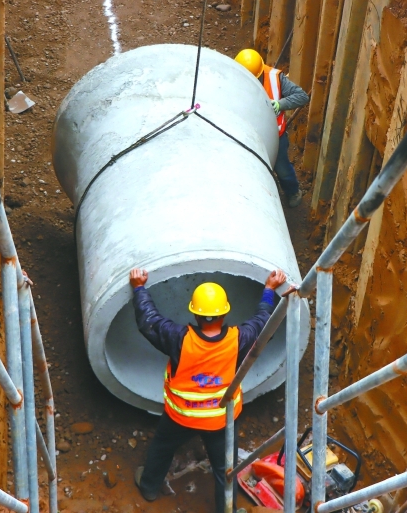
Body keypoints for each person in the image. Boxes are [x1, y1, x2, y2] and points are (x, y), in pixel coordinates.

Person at [130, 267, 288, 513]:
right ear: (225, 313)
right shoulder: (239, 339)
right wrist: (269, 289)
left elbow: (149, 321)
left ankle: (149, 487)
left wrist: (139, 288)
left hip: (181, 417)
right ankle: (227, 509)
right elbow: (264, 321)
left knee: (162, 448)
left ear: (195, 314)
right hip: (221, 420)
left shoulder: (180, 339)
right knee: (225, 469)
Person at [234, 48, 310, 208]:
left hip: (275, 138)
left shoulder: (275, 78)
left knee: (282, 169)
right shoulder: (234, 78)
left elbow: (302, 96)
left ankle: (293, 191)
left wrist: (280, 104)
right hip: (246, 137)